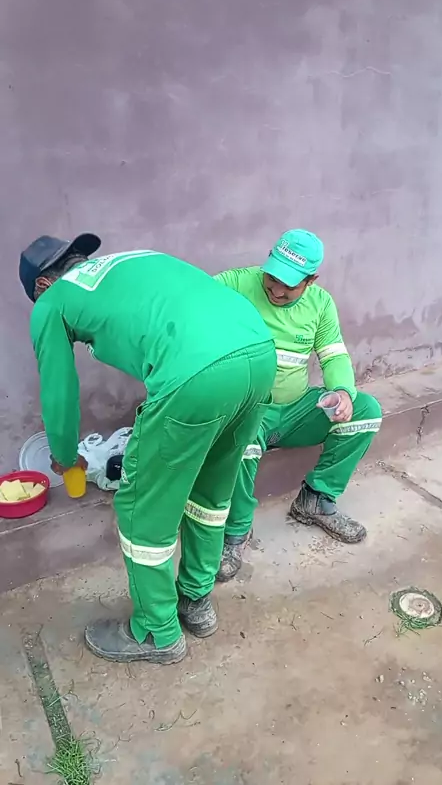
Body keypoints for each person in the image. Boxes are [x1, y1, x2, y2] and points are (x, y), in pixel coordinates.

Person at [20, 234, 276, 664]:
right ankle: (195, 601)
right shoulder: (134, 259)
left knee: (141, 511)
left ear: (43, 285)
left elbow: (58, 393)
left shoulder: (52, 300)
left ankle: (156, 632)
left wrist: (65, 457)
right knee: (210, 492)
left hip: (199, 374)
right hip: (259, 354)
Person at [214, 229, 382, 582]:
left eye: (288, 285)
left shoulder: (320, 304)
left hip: (294, 410)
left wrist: (342, 392)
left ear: (311, 280)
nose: (276, 290)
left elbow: (333, 354)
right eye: (272, 278)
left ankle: (315, 499)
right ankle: (236, 532)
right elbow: (190, 302)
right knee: (242, 439)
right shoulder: (235, 283)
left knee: (366, 411)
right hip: (248, 409)